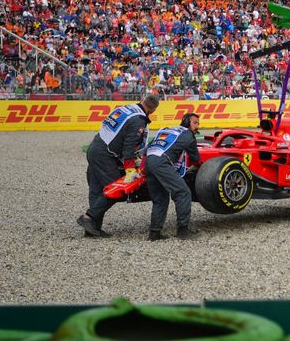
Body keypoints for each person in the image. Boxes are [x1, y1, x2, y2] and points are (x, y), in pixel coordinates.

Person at [76, 94, 160, 237]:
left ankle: (92, 229)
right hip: (105, 155)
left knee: (97, 191)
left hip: (95, 147)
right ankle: (89, 217)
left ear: (142, 101)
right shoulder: (138, 120)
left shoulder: (127, 108)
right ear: (152, 111)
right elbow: (129, 146)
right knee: (117, 189)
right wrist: (130, 169)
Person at [145, 113, 201, 241]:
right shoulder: (188, 135)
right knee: (183, 192)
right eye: (195, 123)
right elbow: (196, 159)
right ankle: (183, 230)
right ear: (187, 123)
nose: (197, 126)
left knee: (160, 198)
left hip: (149, 161)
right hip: (161, 163)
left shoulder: (168, 129)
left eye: (198, 123)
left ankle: (154, 233)